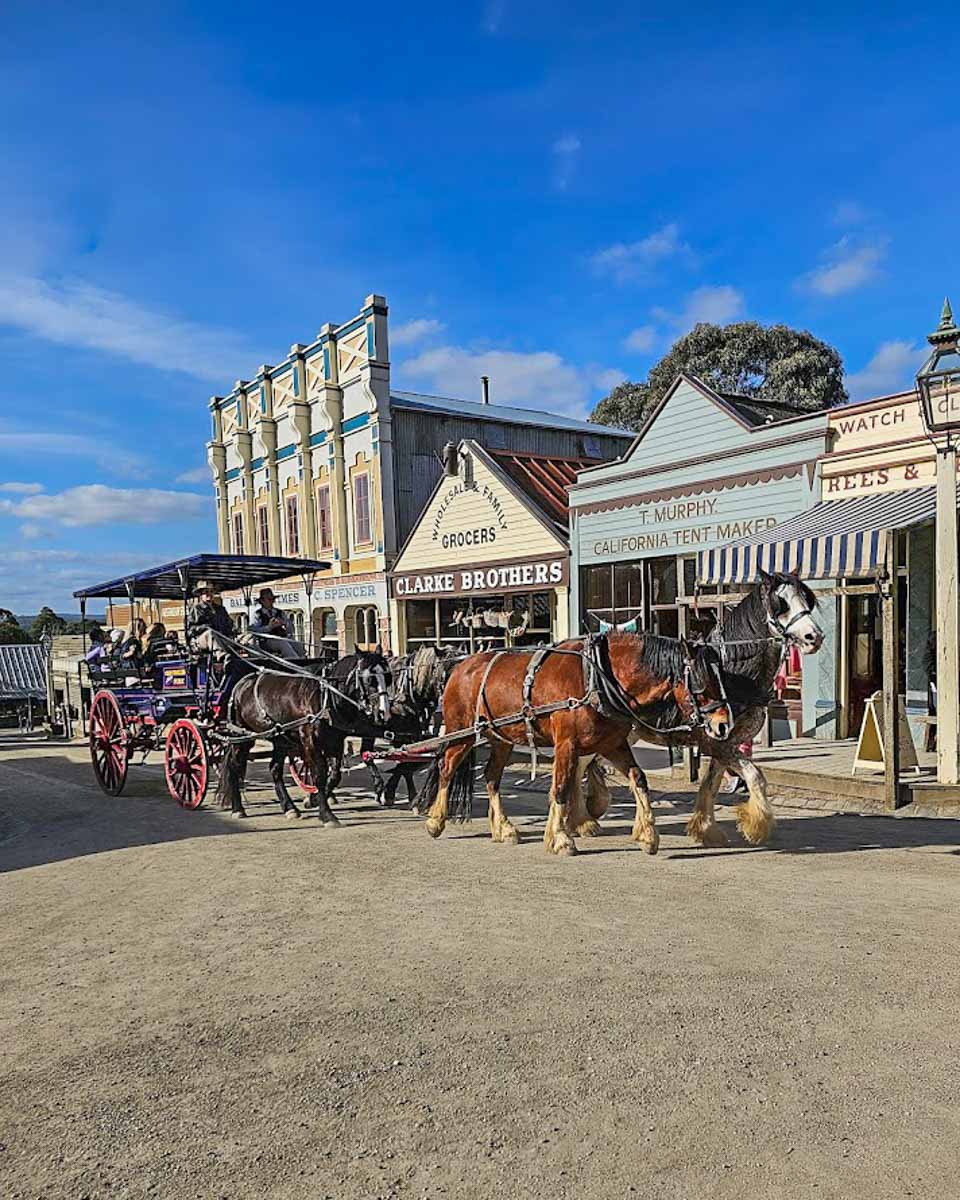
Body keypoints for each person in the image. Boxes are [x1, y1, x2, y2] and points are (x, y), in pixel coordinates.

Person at [249, 588, 303, 660]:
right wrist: (269, 627)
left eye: (272, 599)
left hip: (281, 637)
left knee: (297, 644)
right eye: (269, 599)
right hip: (266, 641)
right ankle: (296, 662)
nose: (272, 602)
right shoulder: (257, 615)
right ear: (262, 601)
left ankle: (303, 660)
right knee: (282, 643)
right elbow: (253, 631)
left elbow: (291, 630)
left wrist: (285, 623)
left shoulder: (280, 612)